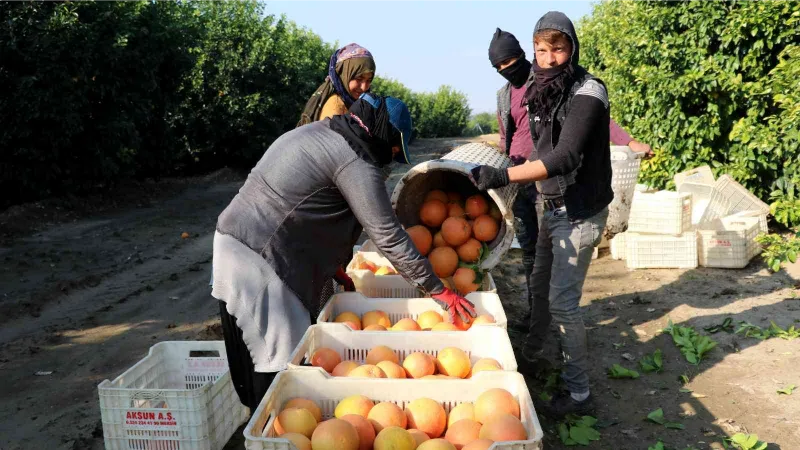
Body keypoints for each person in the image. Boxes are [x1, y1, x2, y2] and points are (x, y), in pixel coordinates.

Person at [213, 93, 476, 411]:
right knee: (281, 369)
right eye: (394, 147)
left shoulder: (321, 133)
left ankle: (268, 429)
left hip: (238, 246)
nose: (392, 156)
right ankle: (272, 438)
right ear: (382, 132)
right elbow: (387, 235)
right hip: (262, 261)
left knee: (262, 364)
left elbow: (303, 208)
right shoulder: (356, 158)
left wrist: (334, 265)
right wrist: (438, 290)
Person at [473, 11, 613, 418]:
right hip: (549, 205)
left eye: (558, 48)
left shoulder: (589, 90)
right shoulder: (537, 89)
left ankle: (580, 394)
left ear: (572, 48)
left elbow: (565, 155)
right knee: (538, 286)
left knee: (564, 303)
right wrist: (506, 179)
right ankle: (532, 356)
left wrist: (504, 173)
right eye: (541, 49)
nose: (548, 58)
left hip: (580, 211)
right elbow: (534, 146)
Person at [488, 29, 652, 331]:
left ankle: (553, 311)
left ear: (523, 55)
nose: (506, 70)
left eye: (510, 62)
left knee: (550, 251)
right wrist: (503, 165)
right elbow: (504, 135)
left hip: (549, 180)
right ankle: (536, 314)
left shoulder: (551, 83)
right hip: (518, 178)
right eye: (499, 67)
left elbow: (594, 120)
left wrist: (628, 142)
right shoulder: (503, 95)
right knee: (530, 248)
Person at [297, 43, 376, 126]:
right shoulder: (336, 106)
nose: (364, 87)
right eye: (359, 79)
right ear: (344, 75)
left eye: (369, 80)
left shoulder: (354, 104)